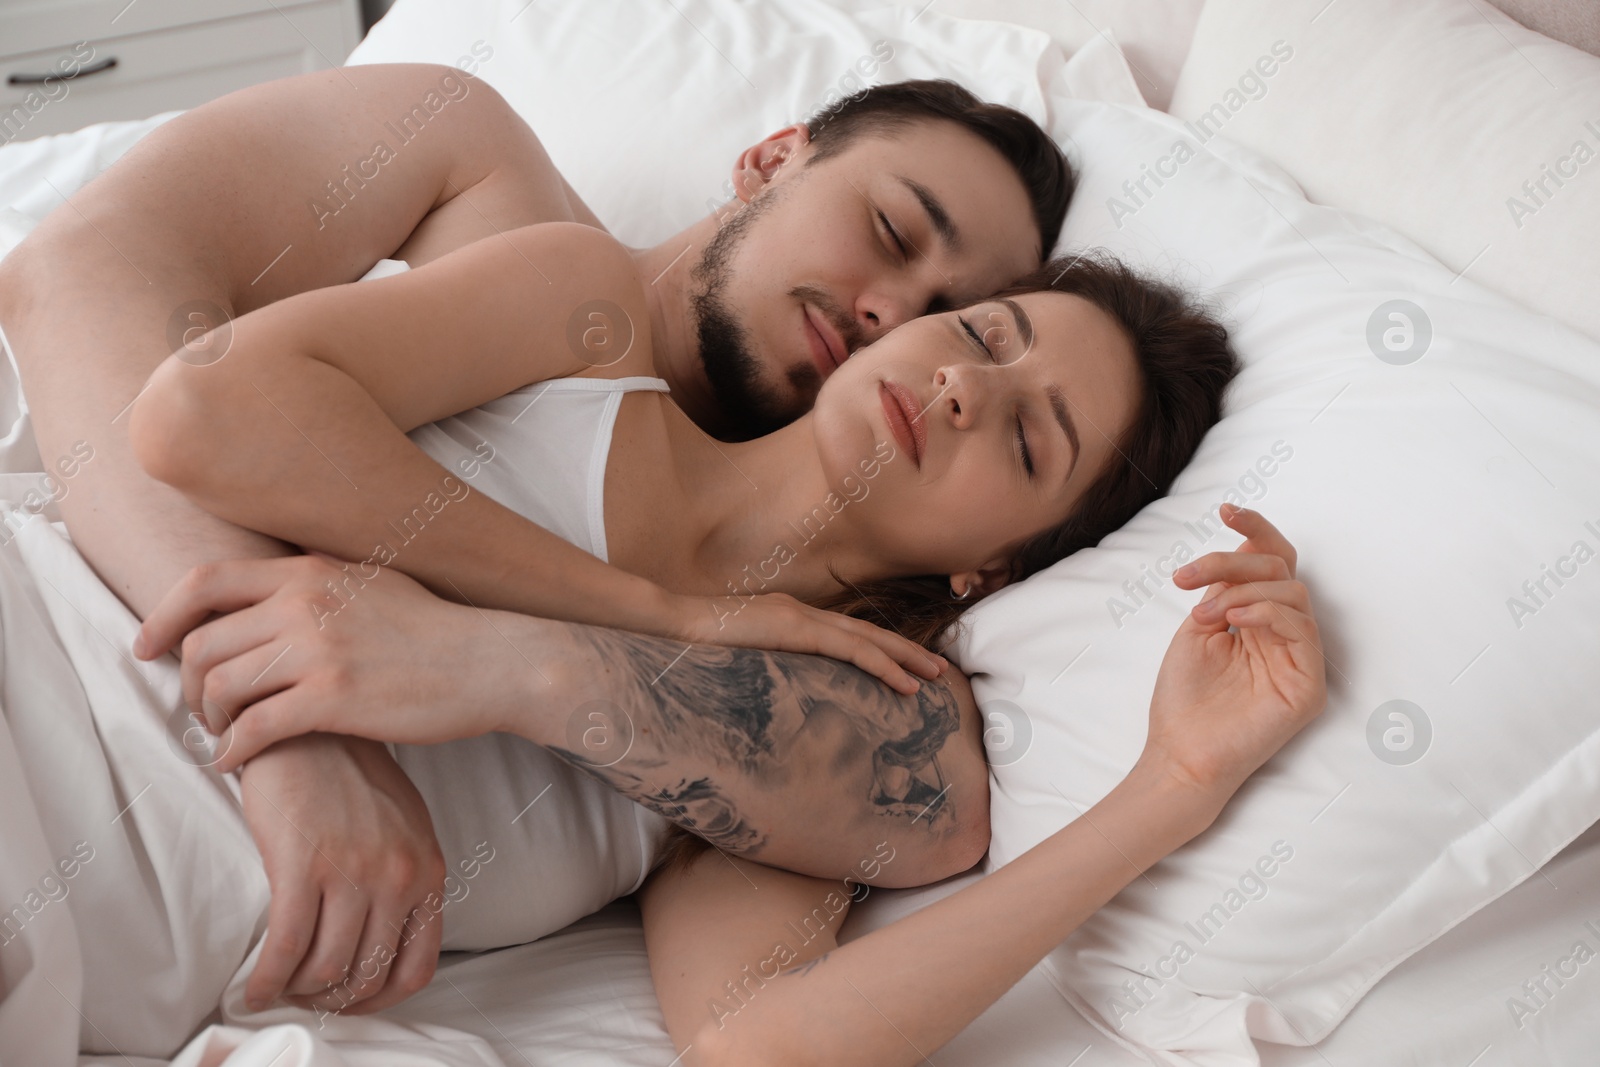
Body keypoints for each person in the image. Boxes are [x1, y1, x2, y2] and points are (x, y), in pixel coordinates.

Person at [0, 66, 1072, 1014]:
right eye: (888, 230)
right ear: (770, 158)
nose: (889, 311)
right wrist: (303, 736)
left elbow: (788, 973)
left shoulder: (791, 650)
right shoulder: (477, 170)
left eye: (950, 308)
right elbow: (82, 279)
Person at [128, 241, 1325, 1064]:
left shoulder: (856, 720)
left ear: (997, 570)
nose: (964, 384)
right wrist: (643, 606)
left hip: (119, 946)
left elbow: (756, 1044)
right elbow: (198, 412)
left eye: (1026, 438)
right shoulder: (583, 330)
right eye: (980, 335)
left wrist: (1176, 784)